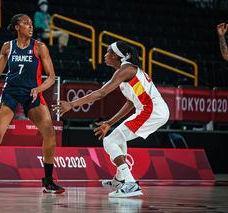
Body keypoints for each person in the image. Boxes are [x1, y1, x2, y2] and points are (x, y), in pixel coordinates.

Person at [53, 41, 169, 198]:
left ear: (115, 56)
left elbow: (101, 93)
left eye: (107, 52)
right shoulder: (127, 70)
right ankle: (119, 180)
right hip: (151, 109)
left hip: (151, 110)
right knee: (119, 139)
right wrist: (109, 123)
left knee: (109, 141)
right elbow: (130, 103)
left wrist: (72, 104)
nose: (105, 55)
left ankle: (130, 184)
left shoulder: (126, 69)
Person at [0, 14, 65, 194]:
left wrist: (39, 89)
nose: (30, 26)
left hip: (32, 93)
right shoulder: (7, 47)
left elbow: (51, 77)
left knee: (50, 134)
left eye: (31, 24)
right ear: (17, 27)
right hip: (10, 92)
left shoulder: (40, 47)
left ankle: (48, 181)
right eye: (26, 23)